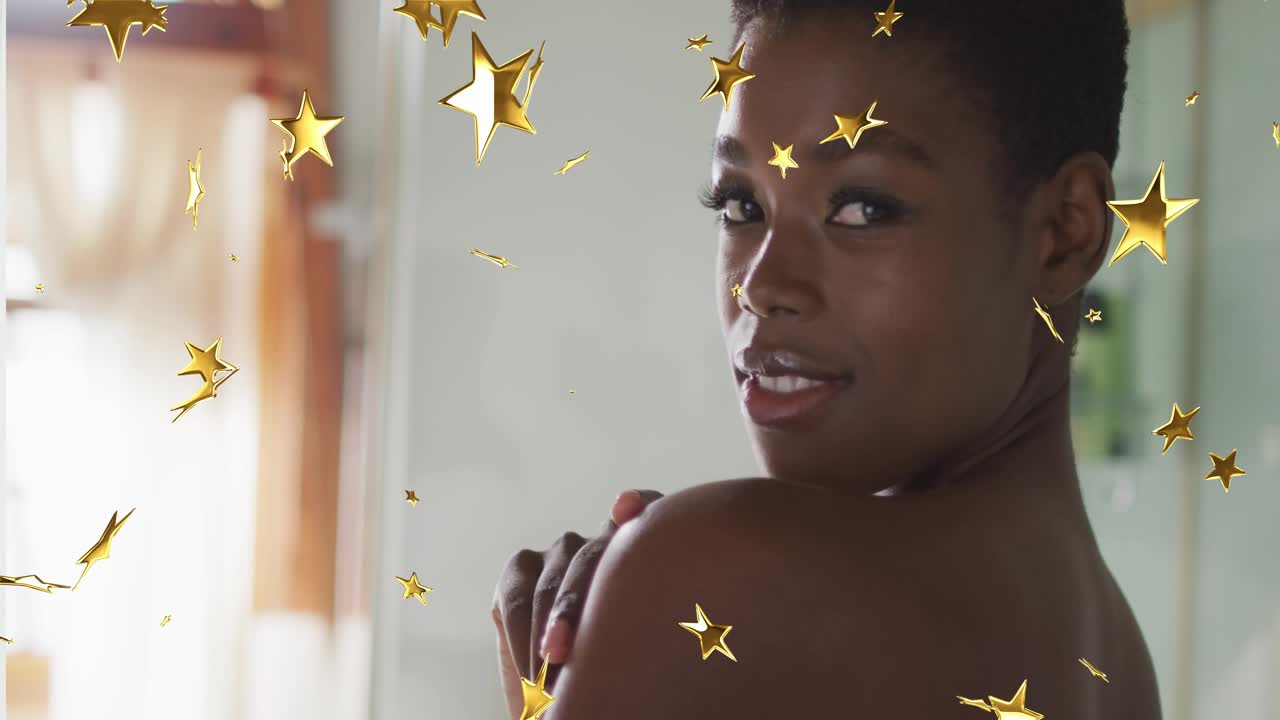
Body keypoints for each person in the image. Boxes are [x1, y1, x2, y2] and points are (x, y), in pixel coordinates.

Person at [492, 0, 1162, 717]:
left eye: (863, 209)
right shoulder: (1117, 666)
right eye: (741, 204)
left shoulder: (716, 583)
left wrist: (576, 659)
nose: (761, 288)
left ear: (1065, 232)